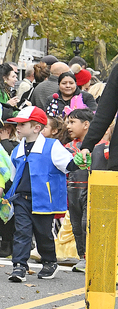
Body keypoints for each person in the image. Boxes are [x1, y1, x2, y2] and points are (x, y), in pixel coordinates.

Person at [7, 105, 72, 283]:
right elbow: (13, 176)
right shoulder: (17, 150)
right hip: (22, 198)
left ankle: (49, 261)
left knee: (44, 233)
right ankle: (19, 266)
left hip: (44, 198)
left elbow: (68, 165)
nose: (18, 127)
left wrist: (80, 161)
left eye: (22, 124)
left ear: (36, 128)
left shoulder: (52, 146)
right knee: (21, 232)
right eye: (17, 124)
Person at [64, 108, 94, 271]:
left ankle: (91, 257)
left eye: (72, 122)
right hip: (73, 190)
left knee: (86, 224)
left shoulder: (97, 146)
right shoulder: (67, 147)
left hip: (91, 190)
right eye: (68, 122)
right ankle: (82, 257)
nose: (68, 126)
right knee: (76, 226)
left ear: (86, 124)